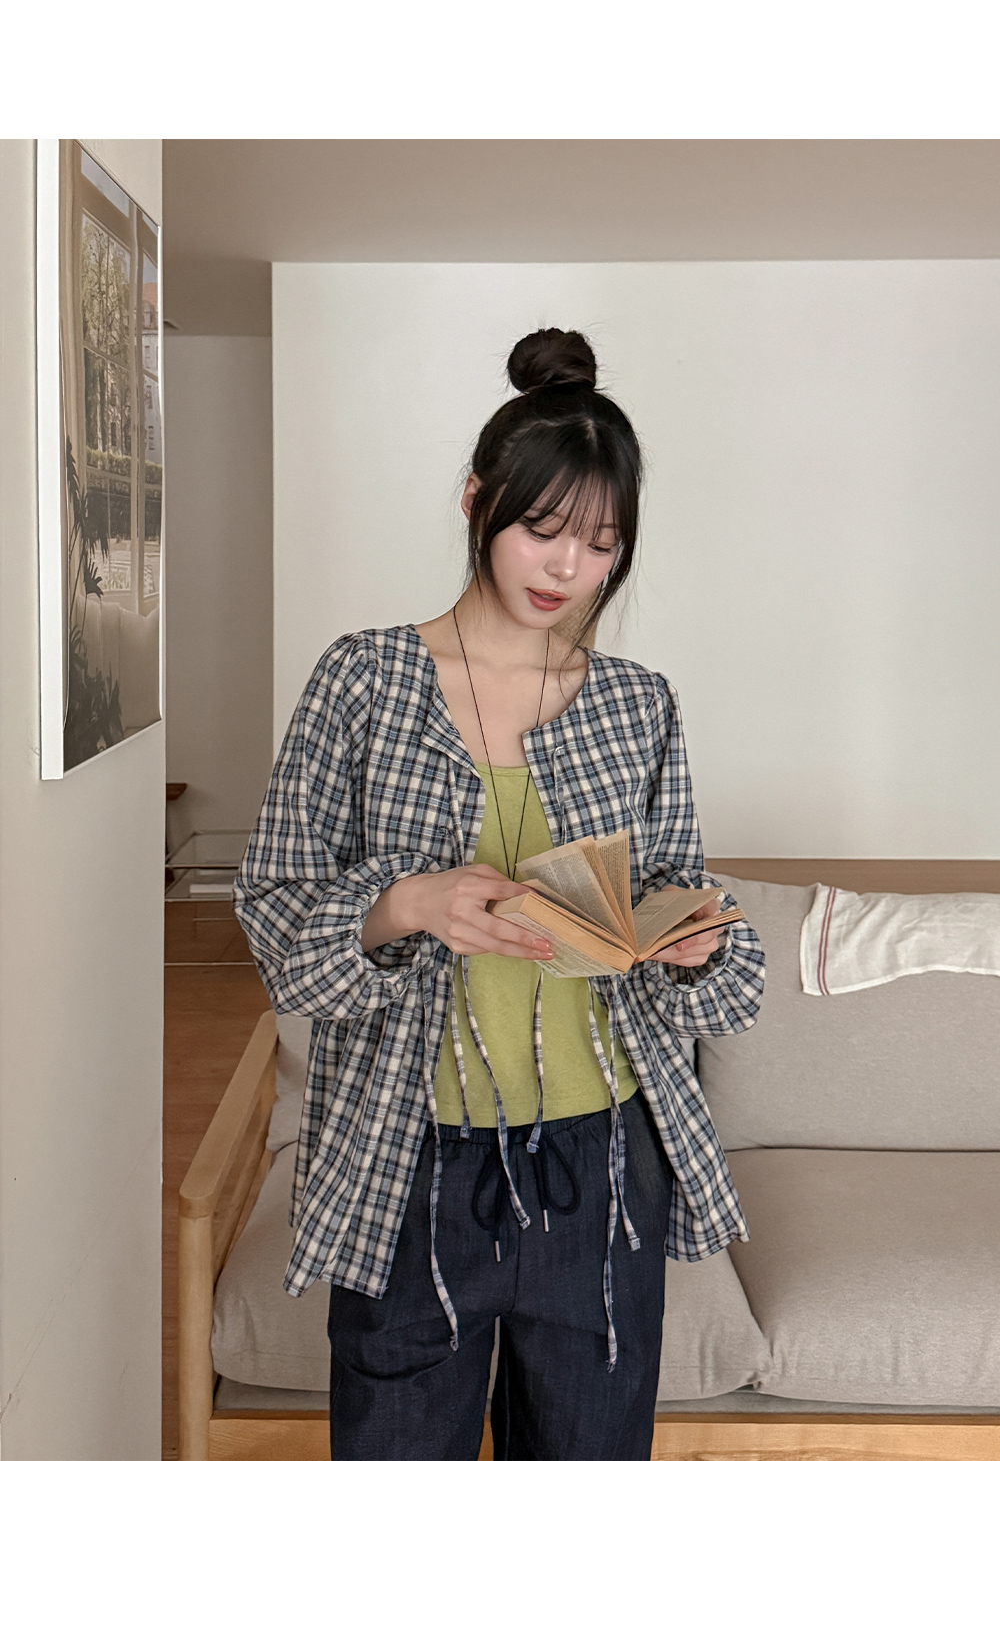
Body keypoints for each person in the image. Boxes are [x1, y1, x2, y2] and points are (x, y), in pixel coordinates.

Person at [233, 321, 765, 1461]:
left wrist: (693, 940)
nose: (567, 568)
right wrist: (407, 904)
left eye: (601, 543)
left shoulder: (638, 702)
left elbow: (682, 892)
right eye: (542, 528)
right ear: (478, 501)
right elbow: (274, 915)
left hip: (603, 1158)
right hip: (410, 1153)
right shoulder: (362, 680)